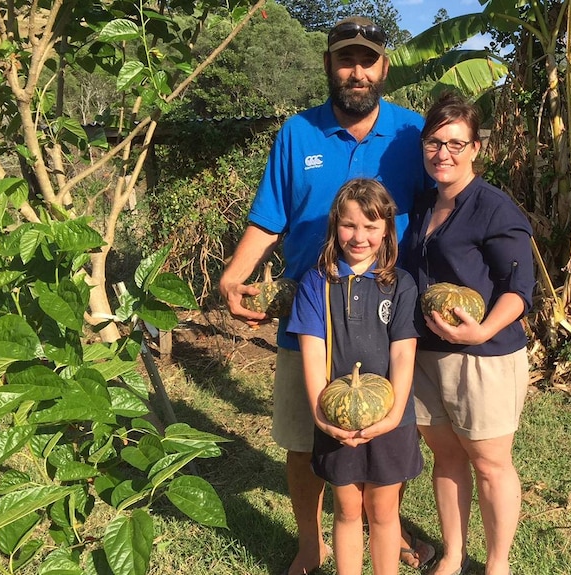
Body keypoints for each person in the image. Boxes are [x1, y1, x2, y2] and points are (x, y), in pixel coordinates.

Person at [218, 16, 434, 575]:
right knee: (302, 437)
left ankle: (384, 528)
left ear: (384, 67)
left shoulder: (412, 135)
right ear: (329, 66)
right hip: (309, 311)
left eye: (367, 60)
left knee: (388, 437)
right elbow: (270, 218)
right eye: (345, 59)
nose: (356, 71)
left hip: (389, 313)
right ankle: (313, 545)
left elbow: (445, 209)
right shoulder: (298, 133)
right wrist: (233, 275)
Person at [403, 93, 536, 575]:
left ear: (476, 147)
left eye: (456, 143)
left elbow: (519, 289)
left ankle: (497, 564)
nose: (444, 153)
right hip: (426, 355)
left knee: (489, 462)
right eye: (435, 142)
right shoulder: (422, 205)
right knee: (446, 458)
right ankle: (454, 555)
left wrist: (480, 331)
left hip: (483, 357)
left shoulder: (494, 208)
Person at [289, 179, 423, 575]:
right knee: (347, 509)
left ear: (386, 230)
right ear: (335, 226)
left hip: (391, 419)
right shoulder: (317, 283)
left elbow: (403, 353)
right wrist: (320, 414)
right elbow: (312, 353)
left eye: (370, 227)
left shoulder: (401, 284)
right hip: (336, 418)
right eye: (349, 226)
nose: (359, 236)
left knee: (383, 510)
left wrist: (394, 414)